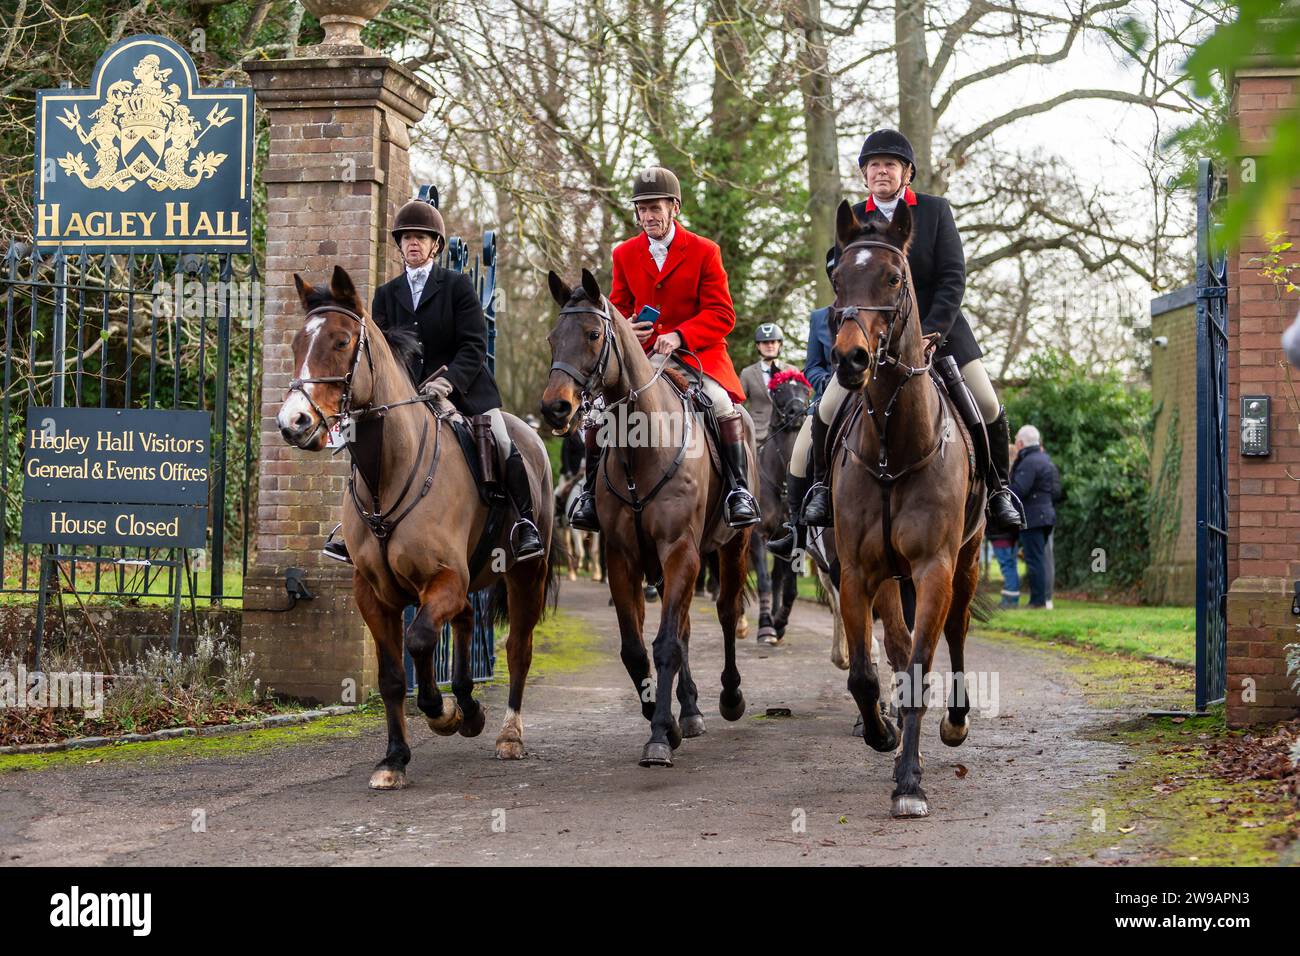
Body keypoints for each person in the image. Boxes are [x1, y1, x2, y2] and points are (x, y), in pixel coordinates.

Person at [768, 129, 1023, 558]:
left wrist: (932, 331)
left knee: (988, 403)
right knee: (823, 413)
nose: (881, 171)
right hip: (873, 339)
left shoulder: (936, 211)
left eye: (890, 164)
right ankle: (801, 516)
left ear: (906, 173)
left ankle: (998, 494)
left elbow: (952, 278)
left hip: (939, 336)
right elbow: (845, 287)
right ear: (865, 175)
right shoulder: (850, 221)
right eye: (873, 165)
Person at [322, 199, 543, 564]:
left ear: (435, 245)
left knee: (503, 440)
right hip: (404, 396)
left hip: (463, 389)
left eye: (421, 238)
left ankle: (524, 523)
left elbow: (473, 346)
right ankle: (348, 529)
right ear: (400, 245)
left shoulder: (457, 287)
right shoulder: (387, 294)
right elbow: (383, 353)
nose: (413, 243)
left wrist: (448, 382)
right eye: (407, 238)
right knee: (362, 437)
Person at [568, 166, 759, 530]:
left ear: (675, 208)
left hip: (696, 357)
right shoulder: (625, 253)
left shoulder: (705, 251)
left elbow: (722, 313)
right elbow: (619, 308)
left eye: (655, 208)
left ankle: (738, 491)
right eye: (641, 209)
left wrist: (681, 336)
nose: (647, 216)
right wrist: (629, 329)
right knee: (595, 412)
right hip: (643, 358)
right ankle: (590, 497)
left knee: (720, 404)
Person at [1009, 424, 1060, 609]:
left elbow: (1019, 490)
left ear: (1021, 443)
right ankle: (1045, 598)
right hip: (1047, 515)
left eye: (1015, 441)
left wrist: (1002, 494)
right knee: (1043, 559)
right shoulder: (1046, 459)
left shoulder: (1029, 462)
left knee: (1034, 559)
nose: (1014, 445)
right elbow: (1056, 490)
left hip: (1033, 518)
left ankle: (1037, 601)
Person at [739, 324, 789, 442]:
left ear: (779, 344)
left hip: (786, 431)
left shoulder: (791, 371)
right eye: (765, 342)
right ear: (758, 346)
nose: (770, 345)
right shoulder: (747, 373)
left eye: (773, 341)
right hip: (757, 433)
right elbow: (738, 403)